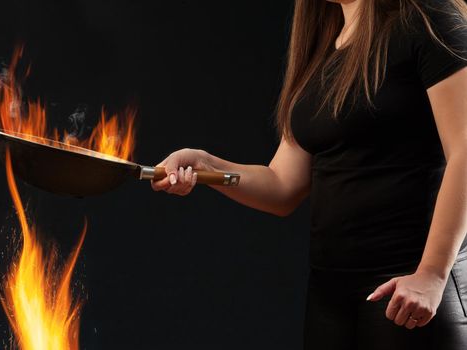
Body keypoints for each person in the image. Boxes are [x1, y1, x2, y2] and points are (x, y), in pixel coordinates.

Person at [151, 0, 467, 348]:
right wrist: (207, 165)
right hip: (330, 298)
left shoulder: (427, 19)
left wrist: (432, 274)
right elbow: (282, 185)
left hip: (408, 292)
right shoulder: (321, 52)